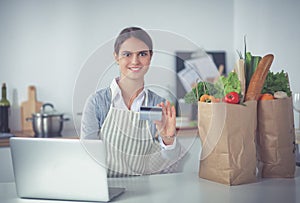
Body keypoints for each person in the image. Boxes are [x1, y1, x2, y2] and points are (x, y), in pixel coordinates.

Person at [81, 27, 181, 177]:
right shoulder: (97, 103)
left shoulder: (157, 104)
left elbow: (170, 161)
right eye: (127, 54)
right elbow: (87, 156)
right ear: (116, 57)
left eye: (142, 54)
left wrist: (168, 140)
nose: (135, 61)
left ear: (150, 57)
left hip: (145, 189)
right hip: (105, 188)